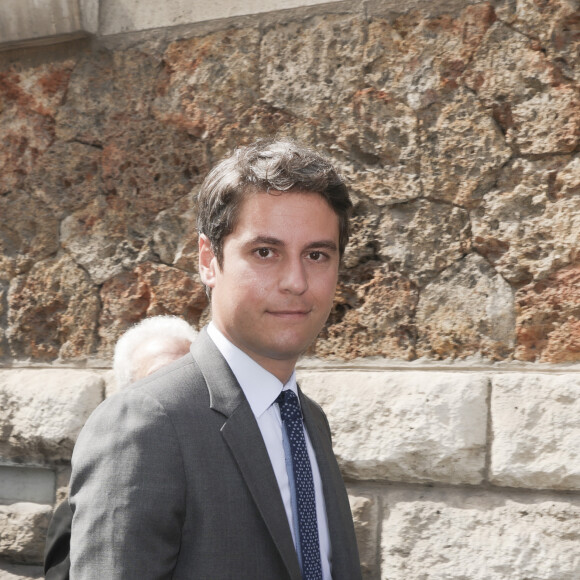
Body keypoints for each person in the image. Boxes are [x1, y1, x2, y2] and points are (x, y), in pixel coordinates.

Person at [69, 138, 362, 579]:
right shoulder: (146, 423)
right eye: (265, 252)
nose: (297, 281)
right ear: (208, 260)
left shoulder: (308, 421)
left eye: (317, 255)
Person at [44, 316, 197, 580]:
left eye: (188, 377)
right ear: (127, 392)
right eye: (161, 378)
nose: (176, 392)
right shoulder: (80, 512)